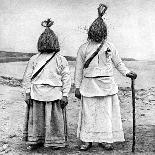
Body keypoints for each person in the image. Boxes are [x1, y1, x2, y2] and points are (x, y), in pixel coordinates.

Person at [74, 4, 137, 151]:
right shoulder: (83, 48)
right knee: (88, 113)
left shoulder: (110, 46)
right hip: (89, 85)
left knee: (105, 113)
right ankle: (87, 140)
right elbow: (78, 69)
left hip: (107, 84)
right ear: (91, 32)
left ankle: (105, 139)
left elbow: (118, 63)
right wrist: (77, 87)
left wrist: (127, 73)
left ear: (103, 32)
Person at [22, 19, 71, 150]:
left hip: (53, 94)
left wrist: (65, 94)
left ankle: (53, 141)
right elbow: (27, 77)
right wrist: (27, 93)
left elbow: (66, 78)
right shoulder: (35, 58)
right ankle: (36, 141)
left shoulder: (59, 59)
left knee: (48, 119)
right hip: (38, 92)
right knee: (40, 119)